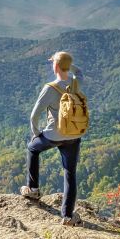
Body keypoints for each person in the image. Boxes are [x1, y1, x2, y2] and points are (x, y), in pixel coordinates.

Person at [21, 51, 85, 227]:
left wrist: (36, 133)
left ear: (55, 66)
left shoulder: (50, 88)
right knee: (70, 173)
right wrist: (67, 64)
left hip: (53, 135)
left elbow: (34, 116)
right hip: (74, 134)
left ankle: (33, 189)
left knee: (33, 148)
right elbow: (79, 72)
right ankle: (68, 216)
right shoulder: (75, 83)